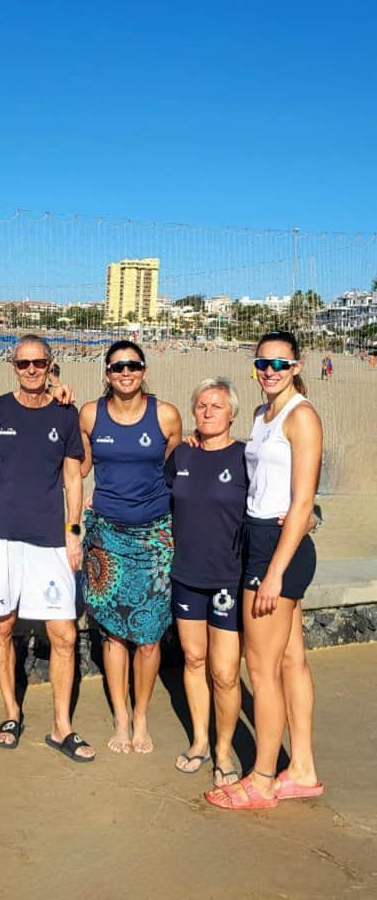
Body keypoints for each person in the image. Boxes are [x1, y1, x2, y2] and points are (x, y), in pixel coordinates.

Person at [206, 329, 324, 809]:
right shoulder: (260, 416)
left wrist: (274, 572)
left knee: (262, 669)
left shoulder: (303, 418)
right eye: (262, 363)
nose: (270, 371)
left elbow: (302, 500)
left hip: (278, 549)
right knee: (291, 660)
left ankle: (260, 779)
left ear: (296, 366)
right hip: (259, 538)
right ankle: (302, 769)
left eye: (280, 363)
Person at [0, 334, 95, 762]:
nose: (32, 370)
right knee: (2, 626)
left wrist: (73, 531)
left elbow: (75, 477)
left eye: (39, 362)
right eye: (24, 364)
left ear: (50, 363)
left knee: (64, 632)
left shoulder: (65, 413)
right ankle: (11, 712)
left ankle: (62, 726)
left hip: (50, 540)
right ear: (13, 366)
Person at [80, 340, 182, 754]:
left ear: (143, 370)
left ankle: (142, 717)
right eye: (118, 367)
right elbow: (79, 469)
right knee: (114, 637)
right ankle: (121, 719)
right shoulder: (90, 414)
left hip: (155, 538)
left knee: (150, 637)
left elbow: (180, 473)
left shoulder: (166, 415)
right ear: (106, 372)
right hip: (106, 537)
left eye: (133, 366)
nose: (126, 373)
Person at [165, 378, 246, 785]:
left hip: (229, 580)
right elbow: (159, 498)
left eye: (216, 406)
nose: (208, 411)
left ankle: (224, 751)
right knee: (194, 660)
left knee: (225, 673)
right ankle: (199, 740)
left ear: (232, 412)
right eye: (201, 406)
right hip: (186, 576)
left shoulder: (247, 457)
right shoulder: (181, 454)